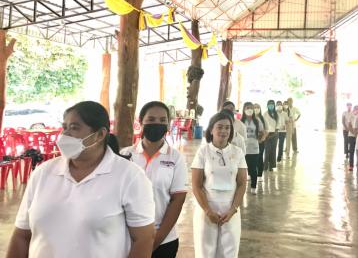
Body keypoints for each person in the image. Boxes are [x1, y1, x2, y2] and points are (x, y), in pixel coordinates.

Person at [7, 101, 155, 258]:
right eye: (65, 127)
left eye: (74, 128)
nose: (65, 135)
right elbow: (21, 235)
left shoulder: (129, 176)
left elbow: (144, 239)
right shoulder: (43, 173)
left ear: (100, 134)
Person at [121, 101, 187, 258]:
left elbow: (177, 200)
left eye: (162, 120)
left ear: (168, 124)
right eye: (151, 119)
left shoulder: (176, 158)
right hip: (128, 236)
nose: (157, 124)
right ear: (141, 121)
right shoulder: (125, 155)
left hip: (164, 240)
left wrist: (154, 241)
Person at [191, 111, 247, 258]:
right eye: (220, 127)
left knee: (229, 252)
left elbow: (242, 184)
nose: (224, 131)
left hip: (230, 210)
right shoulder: (203, 152)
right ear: (211, 129)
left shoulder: (238, 152)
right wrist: (208, 211)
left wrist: (233, 209)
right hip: (206, 209)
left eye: (227, 128)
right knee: (205, 252)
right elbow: (196, 185)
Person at [241, 102, 265, 194]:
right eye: (247, 108)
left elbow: (262, 132)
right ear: (244, 109)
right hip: (243, 149)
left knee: (253, 168)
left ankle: (253, 187)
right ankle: (241, 188)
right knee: (243, 169)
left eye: (251, 108)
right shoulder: (241, 121)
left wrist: (260, 138)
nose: (249, 110)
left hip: (254, 148)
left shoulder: (257, 121)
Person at [263, 100, 279, 172]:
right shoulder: (265, 114)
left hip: (275, 134)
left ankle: (271, 166)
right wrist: (266, 134)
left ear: (274, 105)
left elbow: (278, 125)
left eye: (272, 104)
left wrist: (275, 133)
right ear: (267, 105)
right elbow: (263, 125)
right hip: (267, 134)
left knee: (273, 150)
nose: (271, 105)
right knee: (267, 150)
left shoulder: (276, 114)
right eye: (269, 104)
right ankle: (265, 166)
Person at [254, 103, 267, 181]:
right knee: (251, 158)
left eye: (258, 107)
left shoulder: (262, 118)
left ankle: (259, 175)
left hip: (261, 141)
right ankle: (250, 174)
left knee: (259, 157)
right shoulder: (248, 119)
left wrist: (263, 137)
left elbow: (266, 130)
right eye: (255, 107)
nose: (256, 109)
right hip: (251, 143)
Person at [347, 105, 358, 171]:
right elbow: (349, 126)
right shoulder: (351, 116)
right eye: (356, 109)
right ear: (353, 110)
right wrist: (354, 134)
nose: (357, 110)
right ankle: (351, 165)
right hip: (351, 136)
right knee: (351, 151)